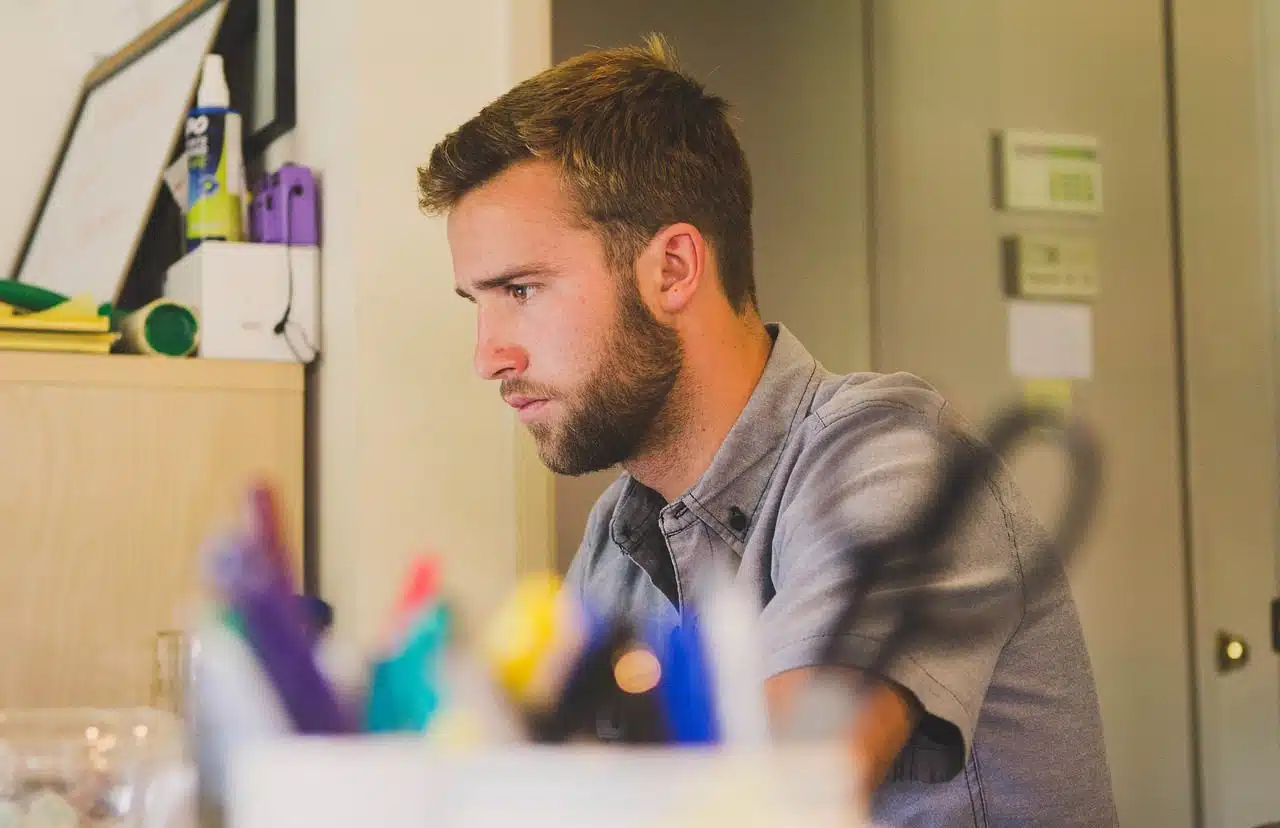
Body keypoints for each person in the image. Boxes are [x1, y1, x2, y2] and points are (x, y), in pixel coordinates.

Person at [417, 35, 1117, 827]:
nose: (488, 355)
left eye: (520, 289)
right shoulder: (619, 539)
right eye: (476, 304)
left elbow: (787, 791)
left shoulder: (892, 456)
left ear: (674, 268)